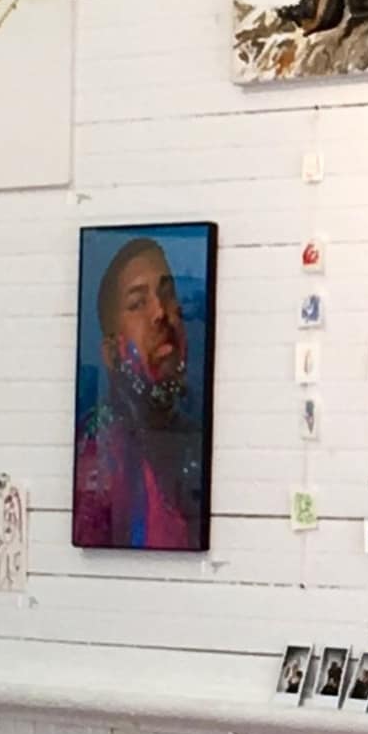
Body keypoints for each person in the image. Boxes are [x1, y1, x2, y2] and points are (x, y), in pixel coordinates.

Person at [76, 234, 209, 551]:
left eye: (167, 294)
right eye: (138, 303)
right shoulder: (97, 453)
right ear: (110, 354)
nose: (161, 313)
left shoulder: (199, 437)